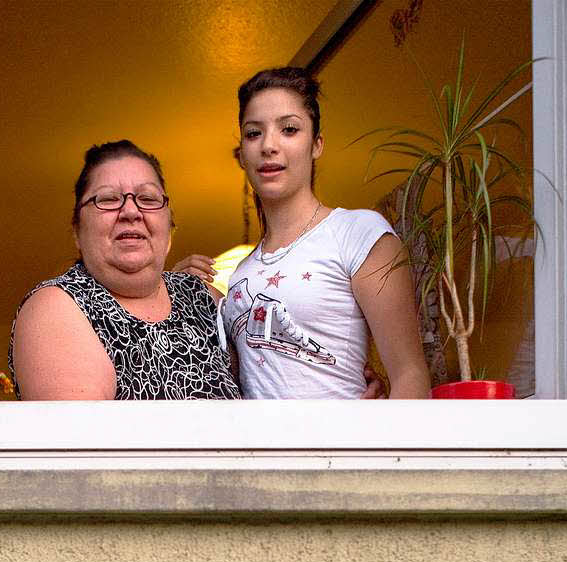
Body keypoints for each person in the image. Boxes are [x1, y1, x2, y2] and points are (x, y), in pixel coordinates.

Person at [177, 67, 430, 400]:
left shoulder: (358, 233)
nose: (269, 145)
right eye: (254, 133)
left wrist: (381, 446)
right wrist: (177, 297)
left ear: (316, 144)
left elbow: (410, 375)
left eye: (289, 129)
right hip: (259, 451)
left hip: (341, 449)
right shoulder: (240, 276)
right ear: (242, 153)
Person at [10, 140, 240, 400]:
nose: (131, 211)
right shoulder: (57, 306)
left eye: (148, 198)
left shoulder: (204, 299)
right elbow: (81, 437)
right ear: (77, 231)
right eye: (108, 199)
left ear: (170, 228)